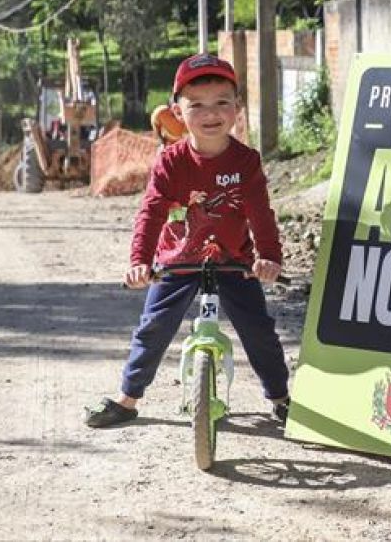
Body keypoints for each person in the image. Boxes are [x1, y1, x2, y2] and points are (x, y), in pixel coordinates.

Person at [86, 53, 292, 428]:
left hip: (233, 260)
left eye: (221, 103)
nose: (210, 113)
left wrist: (269, 258)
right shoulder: (170, 161)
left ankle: (280, 398)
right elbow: (151, 212)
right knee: (154, 326)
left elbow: (260, 214)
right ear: (177, 113)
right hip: (178, 260)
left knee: (258, 328)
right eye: (196, 105)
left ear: (237, 109)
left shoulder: (246, 161)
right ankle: (127, 399)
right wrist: (140, 261)